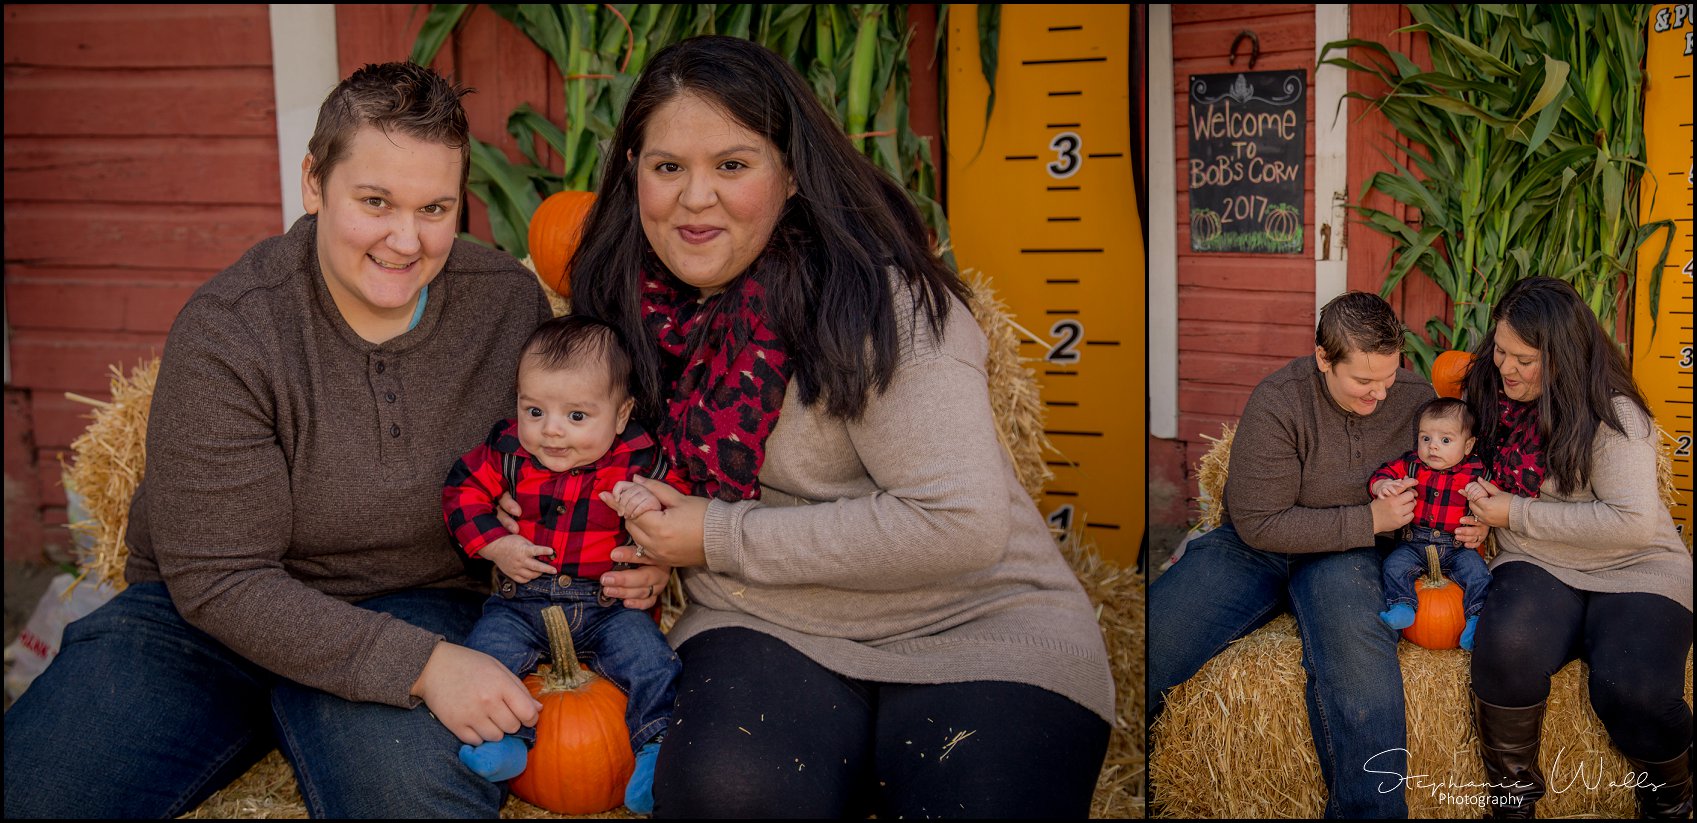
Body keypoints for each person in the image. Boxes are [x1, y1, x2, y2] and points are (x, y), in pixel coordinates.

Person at [1, 61, 671, 818]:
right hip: (206, 628)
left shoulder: (504, 305)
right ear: (314, 183)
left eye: (435, 208)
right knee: (36, 790)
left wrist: (630, 555)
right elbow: (218, 579)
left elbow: (585, 439)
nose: (406, 240)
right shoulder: (233, 328)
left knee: (413, 800)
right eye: (375, 201)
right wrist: (421, 669)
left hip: (416, 602)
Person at [541, 35, 1114, 818]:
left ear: (791, 173)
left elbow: (960, 524)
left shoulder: (887, 305)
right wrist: (577, 521)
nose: (693, 198)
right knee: (728, 798)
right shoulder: (626, 308)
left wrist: (712, 539)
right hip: (762, 620)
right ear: (633, 169)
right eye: (667, 166)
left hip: (973, 621)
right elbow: (607, 462)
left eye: (732, 165)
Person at [1147, 290, 1490, 819]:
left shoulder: (1415, 397)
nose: (1379, 395)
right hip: (1257, 548)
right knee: (1156, 637)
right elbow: (1259, 522)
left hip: (1346, 557)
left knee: (1361, 669)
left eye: (1388, 378)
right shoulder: (1279, 401)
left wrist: (1472, 522)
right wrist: (1368, 520)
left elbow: (1455, 472)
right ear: (1324, 359)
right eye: (1363, 381)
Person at [1459, 276, 1693, 819]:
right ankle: (1513, 805)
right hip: (1537, 560)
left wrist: (1512, 513)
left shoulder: (1616, 417)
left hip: (1636, 566)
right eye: (1500, 350)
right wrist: (1467, 518)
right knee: (1506, 650)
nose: (1505, 367)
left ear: (1561, 356)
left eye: (1523, 358)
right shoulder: (1490, 395)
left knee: (1631, 688)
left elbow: (1632, 525)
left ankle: (1673, 802)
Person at [443, 315, 679, 813]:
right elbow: (460, 490)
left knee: (652, 663)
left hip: (609, 605)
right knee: (487, 656)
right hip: (522, 601)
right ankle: (506, 742)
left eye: (576, 416)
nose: (551, 431)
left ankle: (656, 750)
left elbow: (676, 512)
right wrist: (494, 546)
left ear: (620, 415)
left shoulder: (640, 459)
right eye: (534, 410)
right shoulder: (507, 450)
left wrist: (649, 506)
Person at [1369, 397, 1491, 649]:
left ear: (1467, 446)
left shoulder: (1476, 471)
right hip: (1414, 542)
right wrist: (1383, 485)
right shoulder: (1412, 464)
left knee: (1478, 574)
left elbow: (1495, 495)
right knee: (1393, 565)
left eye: (1445, 440)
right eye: (1426, 438)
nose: (1433, 447)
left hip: (1457, 546)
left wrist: (1483, 497)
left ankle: (1476, 618)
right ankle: (1403, 605)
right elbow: (1382, 473)